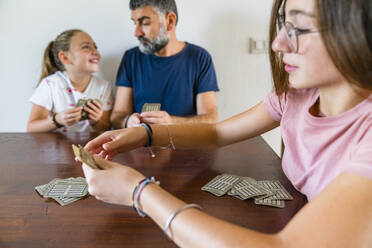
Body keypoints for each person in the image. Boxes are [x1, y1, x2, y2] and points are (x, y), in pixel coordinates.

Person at [81, 0, 372, 246]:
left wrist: (139, 192)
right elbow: (217, 132)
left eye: (299, 28)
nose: (277, 43)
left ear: (357, 32)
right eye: (284, 24)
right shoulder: (294, 97)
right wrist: (145, 134)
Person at [111, 0, 219, 129]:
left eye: (145, 23)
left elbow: (210, 119)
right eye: (135, 23)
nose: (137, 33)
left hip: (186, 144)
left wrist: (172, 122)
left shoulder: (199, 57)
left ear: (170, 21)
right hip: (142, 144)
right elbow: (117, 116)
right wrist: (128, 121)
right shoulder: (131, 58)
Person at [27, 29, 113, 133]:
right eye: (86, 47)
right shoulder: (51, 84)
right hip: (56, 147)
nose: (95, 51)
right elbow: (31, 128)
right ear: (65, 57)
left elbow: (106, 128)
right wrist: (57, 120)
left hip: (90, 147)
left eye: (95, 47)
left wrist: (95, 121)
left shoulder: (103, 86)